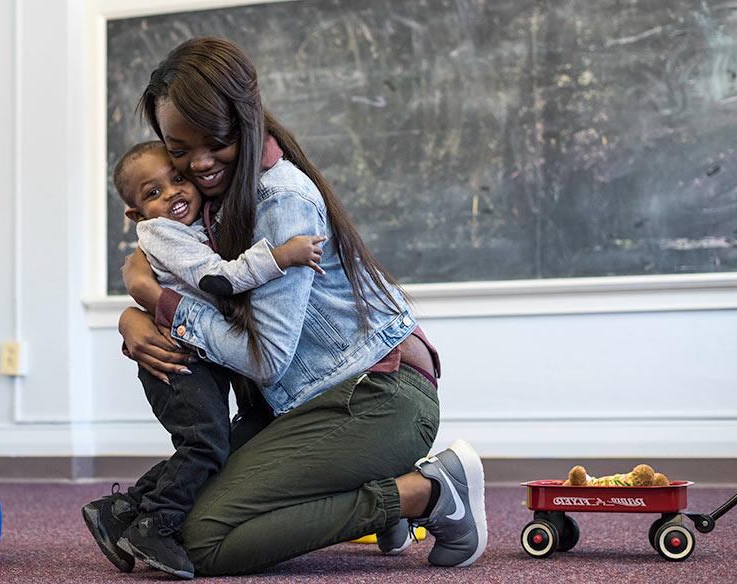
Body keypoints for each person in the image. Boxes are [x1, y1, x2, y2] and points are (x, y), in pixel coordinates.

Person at [115, 37, 487, 576]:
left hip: (378, 398)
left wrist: (155, 300)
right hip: (305, 406)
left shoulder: (281, 200)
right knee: (169, 517)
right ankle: (363, 487)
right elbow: (185, 269)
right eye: (178, 150)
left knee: (199, 543)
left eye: (214, 140)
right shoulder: (211, 203)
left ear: (245, 119)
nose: (196, 164)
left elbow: (265, 361)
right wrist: (135, 311)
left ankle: (424, 493)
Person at [82, 140, 325, 579]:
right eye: (153, 193)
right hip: (178, 359)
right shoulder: (164, 234)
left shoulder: (196, 222)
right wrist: (281, 256)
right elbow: (217, 279)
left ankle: (119, 510)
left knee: (210, 443)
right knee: (205, 444)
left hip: (199, 354)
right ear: (137, 216)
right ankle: (155, 524)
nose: (173, 193)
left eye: (177, 180)